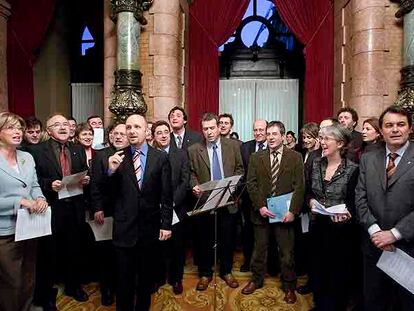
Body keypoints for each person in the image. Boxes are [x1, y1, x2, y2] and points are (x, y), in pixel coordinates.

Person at [107, 114, 173, 310]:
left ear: (146, 131)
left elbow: (166, 195)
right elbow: (109, 196)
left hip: (149, 229)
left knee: (146, 280)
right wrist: (111, 172)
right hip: (124, 229)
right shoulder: (117, 157)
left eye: (137, 127)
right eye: (128, 127)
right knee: (123, 281)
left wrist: (166, 225)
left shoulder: (160, 158)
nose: (132, 131)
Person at [28, 114, 90, 310]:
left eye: (65, 124)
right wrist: (48, 184)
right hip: (51, 208)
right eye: (57, 125)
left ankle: (74, 286)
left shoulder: (78, 150)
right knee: (48, 253)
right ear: (49, 131)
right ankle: (46, 294)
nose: (63, 128)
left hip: (75, 207)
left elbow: (83, 174)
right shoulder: (36, 151)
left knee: (75, 249)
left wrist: (86, 180)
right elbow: (32, 179)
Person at [356, 105, 414, 310]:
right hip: (374, 246)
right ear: (381, 130)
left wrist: (395, 234)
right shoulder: (368, 158)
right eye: (389, 125)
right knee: (374, 302)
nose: (395, 129)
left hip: (407, 249)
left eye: (401, 124)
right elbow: (360, 198)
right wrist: (376, 232)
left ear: (410, 128)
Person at [242, 121, 305, 305]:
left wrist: (293, 211)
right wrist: (260, 206)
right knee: (259, 250)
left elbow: (299, 186)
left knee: (286, 253)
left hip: (285, 215)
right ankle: (256, 280)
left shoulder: (295, 157)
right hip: (262, 213)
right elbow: (251, 184)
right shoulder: (256, 157)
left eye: (274, 134)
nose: (270, 137)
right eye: (268, 134)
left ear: (283, 136)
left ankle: (289, 286)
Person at [188, 113, 244, 291]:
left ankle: (226, 271)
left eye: (212, 128)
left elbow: (240, 169)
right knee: (204, 239)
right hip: (205, 203)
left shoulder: (234, 146)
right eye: (206, 129)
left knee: (227, 239)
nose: (209, 132)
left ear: (219, 128)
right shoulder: (194, 150)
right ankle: (205, 273)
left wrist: (232, 187)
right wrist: (194, 185)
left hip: (227, 201)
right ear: (202, 131)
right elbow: (190, 173)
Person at [308, 124, 359, 310]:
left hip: (341, 231)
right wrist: (311, 201)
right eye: (321, 139)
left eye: (326, 139)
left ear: (340, 143)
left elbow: (355, 202)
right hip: (317, 226)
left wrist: (348, 213)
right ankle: (319, 304)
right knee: (318, 268)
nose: (322, 142)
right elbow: (308, 192)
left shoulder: (353, 169)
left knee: (338, 272)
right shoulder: (315, 164)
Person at [0, 112, 48, 311]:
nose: (18, 132)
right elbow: (18, 197)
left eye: (19, 128)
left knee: (29, 277)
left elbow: (34, 185)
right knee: (12, 281)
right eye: (11, 128)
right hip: (5, 231)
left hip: (29, 225)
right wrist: (18, 201)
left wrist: (40, 198)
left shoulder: (27, 156)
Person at [90, 122, 129, 306]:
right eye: (115, 133)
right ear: (110, 136)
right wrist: (97, 207)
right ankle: (107, 290)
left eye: (123, 133)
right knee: (106, 254)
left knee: (125, 253)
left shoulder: (133, 154)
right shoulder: (101, 156)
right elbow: (95, 185)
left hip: (129, 213)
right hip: (107, 210)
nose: (119, 136)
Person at [151, 120, 190, 295]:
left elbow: (185, 180)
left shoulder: (181, 154)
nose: (163, 135)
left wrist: (172, 202)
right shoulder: (150, 155)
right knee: (158, 247)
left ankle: (176, 279)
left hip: (177, 208)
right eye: (159, 132)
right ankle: (158, 278)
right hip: (155, 209)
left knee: (177, 247)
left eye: (166, 131)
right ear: (154, 136)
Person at [239, 119, 268, 272]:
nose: (258, 133)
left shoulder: (273, 145)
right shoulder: (245, 147)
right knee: (248, 232)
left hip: (268, 198)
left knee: (268, 233)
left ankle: (270, 264)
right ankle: (248, 261)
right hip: (248, 199)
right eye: (255, 130)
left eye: (261, 130)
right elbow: (241, 172)